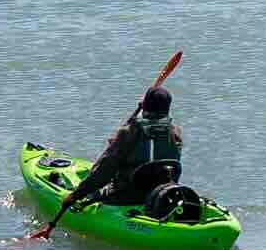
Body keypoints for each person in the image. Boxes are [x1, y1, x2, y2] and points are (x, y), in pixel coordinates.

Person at [48, 81, 200, 229]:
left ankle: (65, 189)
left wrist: (74, 196)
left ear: (145, 106)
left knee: (91, 188)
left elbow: (103, 172)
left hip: (126, 196)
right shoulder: (175, 133)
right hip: (162, 196)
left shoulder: (128, 133)